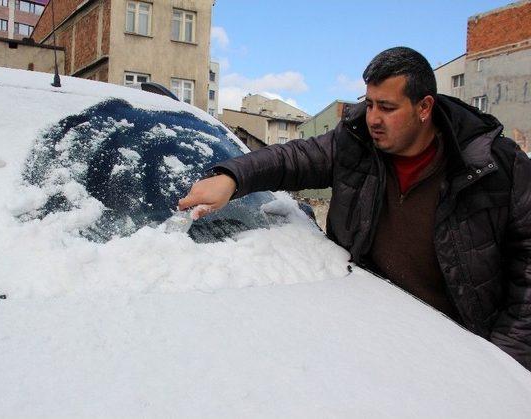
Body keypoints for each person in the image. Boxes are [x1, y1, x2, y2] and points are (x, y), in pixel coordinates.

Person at [178, 47, 531, 370]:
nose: (373, 118)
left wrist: (501, 362)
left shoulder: (494, 165)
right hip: (371, 336)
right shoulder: (357, 142)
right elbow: (293, 158)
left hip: (460, 350)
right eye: (370, 102)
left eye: (388, 108)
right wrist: (232, 177)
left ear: (425, 107)